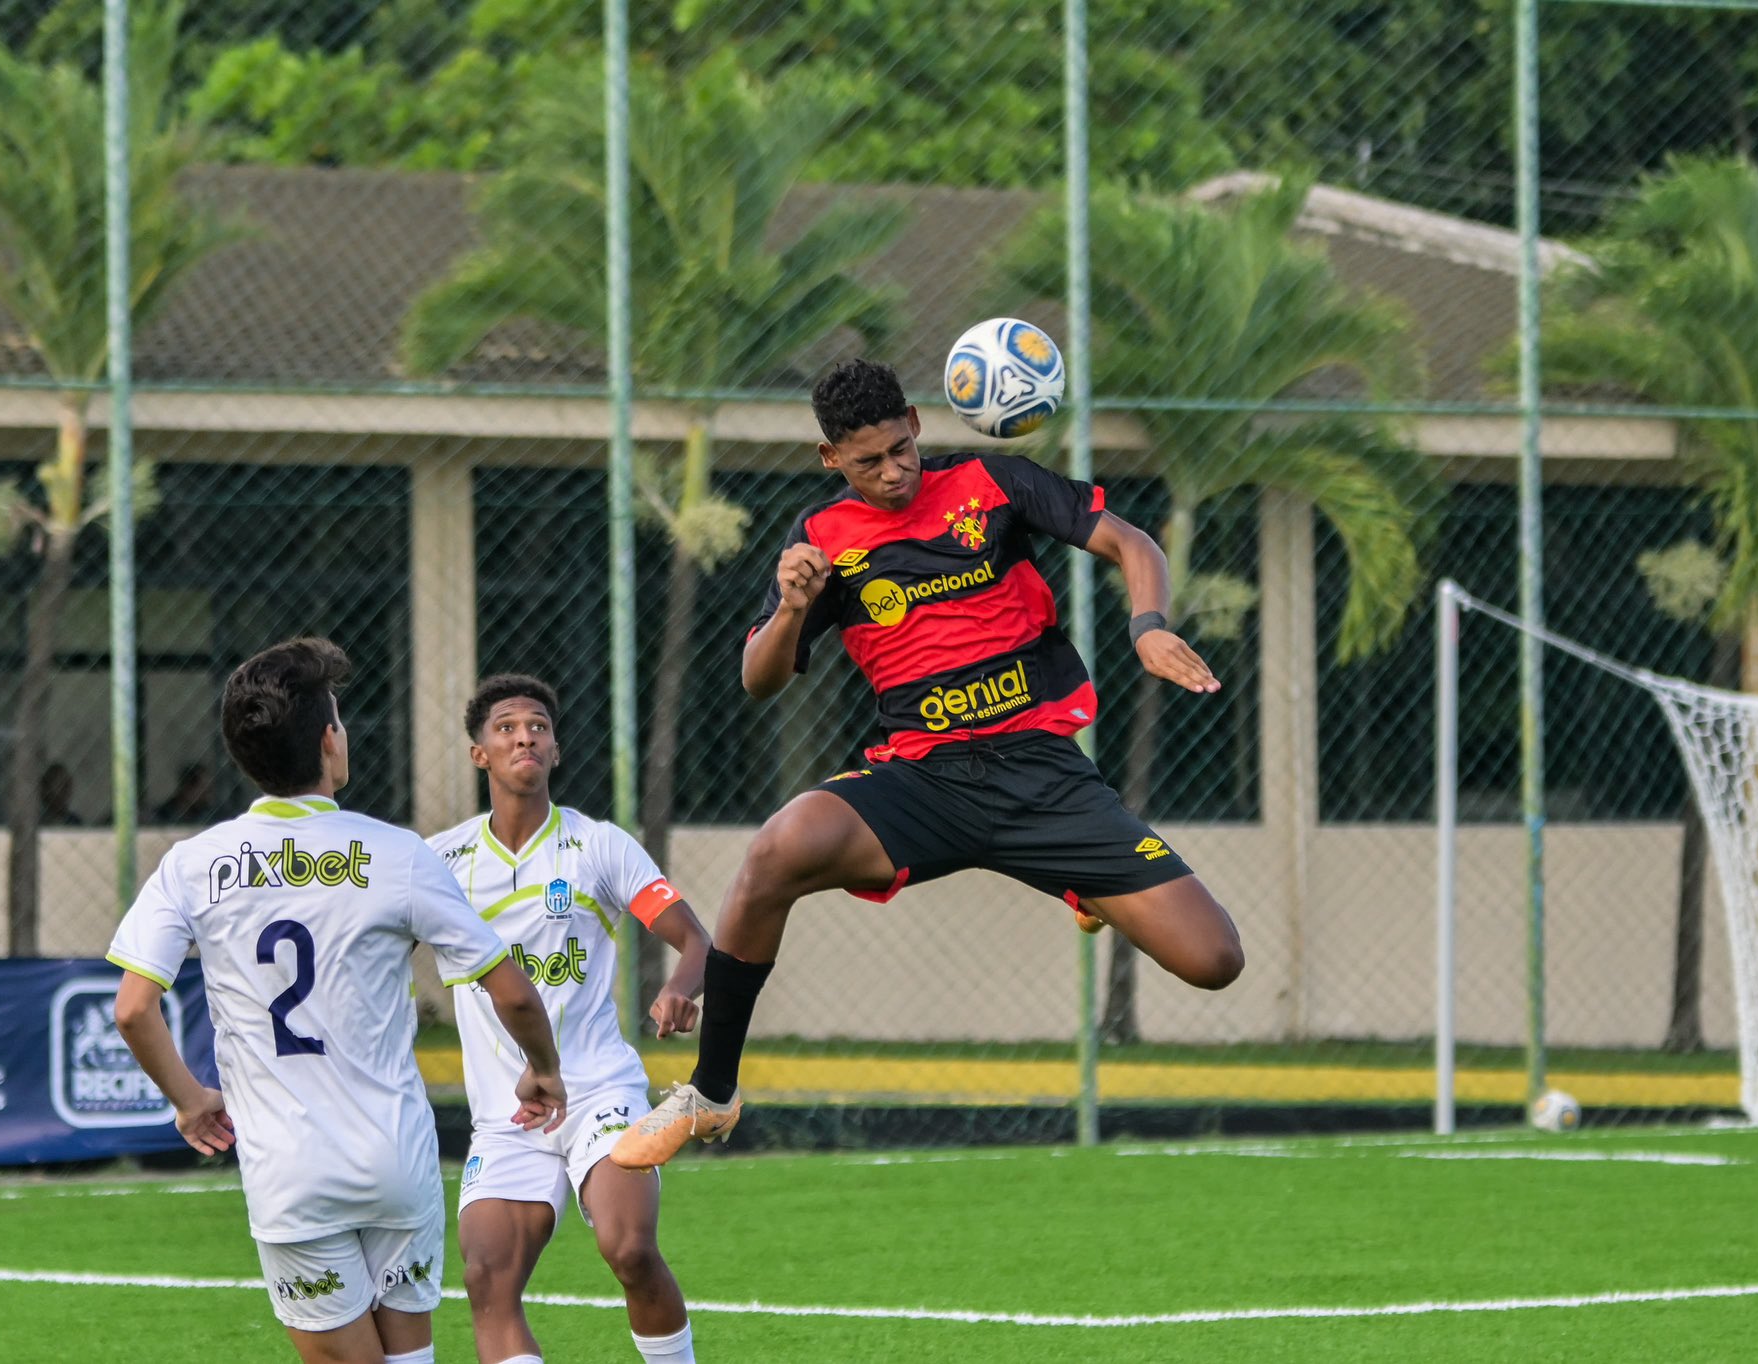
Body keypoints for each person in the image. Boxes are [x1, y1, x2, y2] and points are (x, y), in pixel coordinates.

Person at [613, 359, 1245, 1168]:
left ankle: (1084, 883)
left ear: (916, 422)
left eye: (900, 448)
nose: (891, 471)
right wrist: (796, 609)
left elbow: (1130, 540)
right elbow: (758, 681)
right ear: (830, 459)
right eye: (867, 461)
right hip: (923, 779)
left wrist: (1148, 625)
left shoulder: (994, 478)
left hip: (1041, 773)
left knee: (1214, 960)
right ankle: (711, 1093)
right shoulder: (821, 540)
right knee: (776, 849)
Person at [106, 637, 568, 1364]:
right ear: (330, 742)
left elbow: (133, 1009)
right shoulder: (396, 853)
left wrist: (192, 1099)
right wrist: (543, 1067)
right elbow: (510, 990)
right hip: (396, 1158)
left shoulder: (193, 864)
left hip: (291, 1171)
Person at [428, 674, 709, 1364]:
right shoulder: (439, 863)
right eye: (506, 727)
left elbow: (697, 940)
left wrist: (679, 986)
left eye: (538, 727)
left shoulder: (598, 846)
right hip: (506, 1115)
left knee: (630, 1248)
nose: (524, 735)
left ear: (554, 751)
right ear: (479, 756)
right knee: (486, 1279)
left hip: (598, 1093)